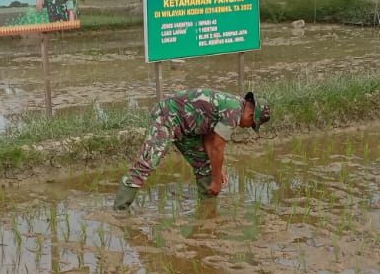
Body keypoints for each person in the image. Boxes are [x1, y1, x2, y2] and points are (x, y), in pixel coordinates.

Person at [113, 89, 271, 211]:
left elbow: (209, 139)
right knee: (147, 163)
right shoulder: (233, 112)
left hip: (188, 128)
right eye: (251, 126)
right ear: (251, 115)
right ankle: (119, 211)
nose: (246, 127)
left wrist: (219, 169)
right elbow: (217, 148)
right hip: (168, 116)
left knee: (205, 166)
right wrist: (217, 181)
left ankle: (208, 211)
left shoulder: (233, 106)